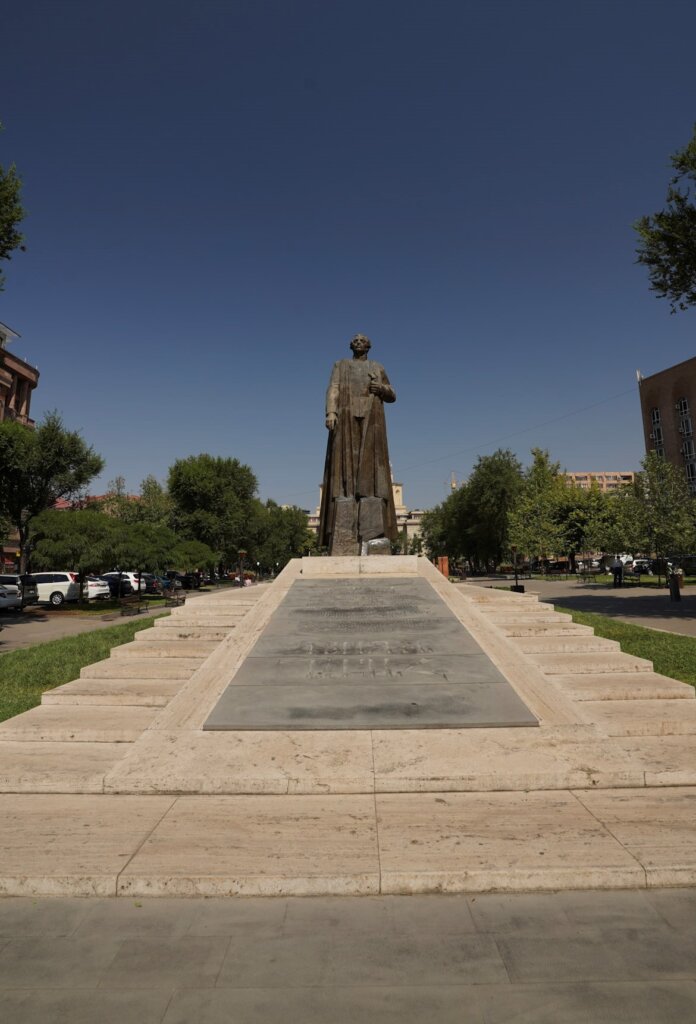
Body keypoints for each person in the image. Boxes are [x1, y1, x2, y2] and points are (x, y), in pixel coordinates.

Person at [318, 334, 398, 555]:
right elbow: (333, 388)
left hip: (372, 418)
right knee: (345, 468)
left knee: (371, 468)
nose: (359, 342)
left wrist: (380, 388)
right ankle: (346, 518)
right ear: (351, 345)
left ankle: (372, 533)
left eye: (363, 340)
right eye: (356, 340)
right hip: (345, 416)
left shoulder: (377, 367)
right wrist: (331, 411)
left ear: (369, 346)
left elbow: (393, 394)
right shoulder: (341, 365)